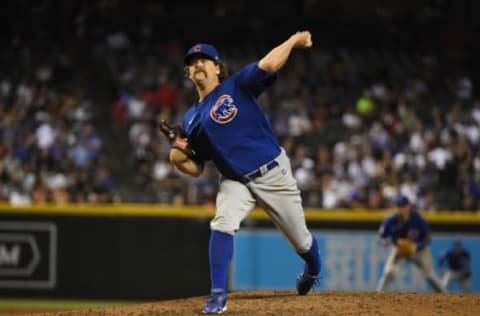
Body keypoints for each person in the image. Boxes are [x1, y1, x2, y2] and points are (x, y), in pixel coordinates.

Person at [162, 32, 321, 314]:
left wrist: (294, 40)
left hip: (273, 173)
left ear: (217, 68)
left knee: (302, 241)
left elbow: (269, 66)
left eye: (205, 59)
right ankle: (218, 295)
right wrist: (177, 152)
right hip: (235, 180)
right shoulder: (190, 119)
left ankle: (312, 268)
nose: (199, 63)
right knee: (222, 222)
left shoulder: (235, 86)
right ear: (188, 72)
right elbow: (197, 168)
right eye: (193, 61)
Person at [376, 195, 446, 292]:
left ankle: (445, 295)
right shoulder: (390, 221)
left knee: (430, 275)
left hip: (418, 251)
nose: (401, 209)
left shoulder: (417, 219)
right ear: (395, 207)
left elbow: (428, 238)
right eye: (399, 206)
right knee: (388, 272)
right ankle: (379, 296)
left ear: (408, 206)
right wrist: (384, 242)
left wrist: (417, 245)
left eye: (403, 206)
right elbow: (380, 237)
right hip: (400, 250)